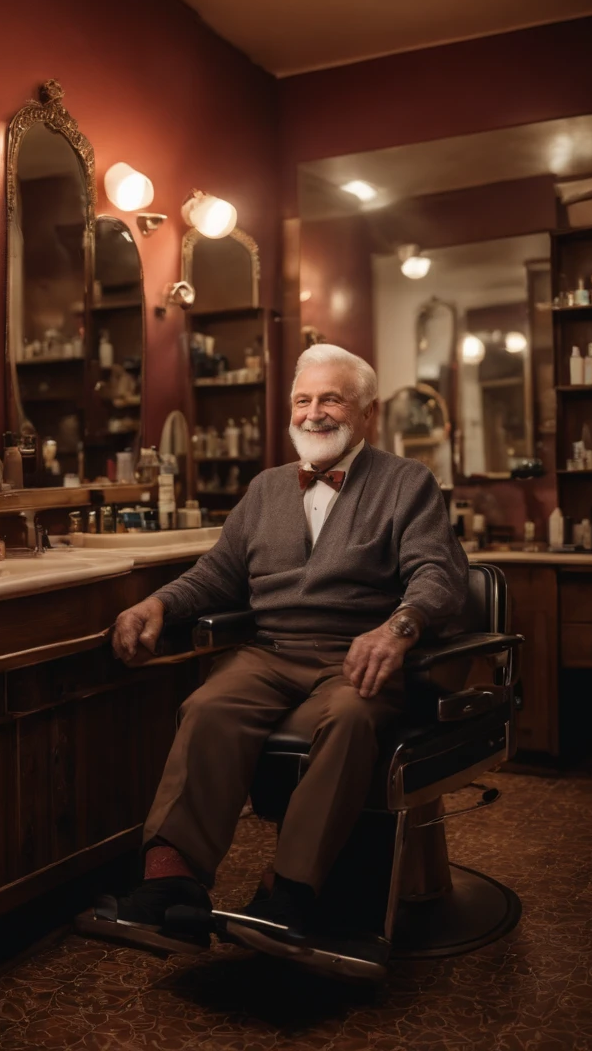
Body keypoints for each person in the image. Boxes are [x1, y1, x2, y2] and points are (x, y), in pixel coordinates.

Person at [82, 344, 468, 953]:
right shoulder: (264, 490)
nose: (314, 414)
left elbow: (438, 576)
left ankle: (290, 892)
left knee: (345, 720)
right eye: (303, 401)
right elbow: (216, 573)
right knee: (207, 707)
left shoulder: (406, 483)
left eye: (332, 399)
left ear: (367, 413)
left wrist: (399, 626)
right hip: (272, 652)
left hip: (358, 655)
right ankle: (171, 883)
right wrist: (156, 604)